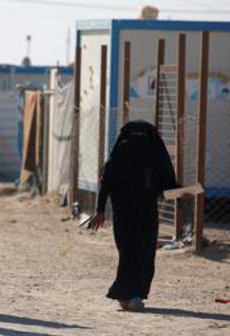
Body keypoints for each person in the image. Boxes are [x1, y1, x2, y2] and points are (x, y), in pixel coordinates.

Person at [82, 120, 177, 311]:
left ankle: (130, 294)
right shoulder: (143, 157)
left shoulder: (146, 159)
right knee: (132, 252)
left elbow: (167, 185)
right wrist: (100, 211)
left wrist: (184, 194)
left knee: (144, 254)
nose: (137, 142)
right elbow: (106, 183)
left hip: (146, 215)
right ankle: (130, 295)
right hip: (126, 214)